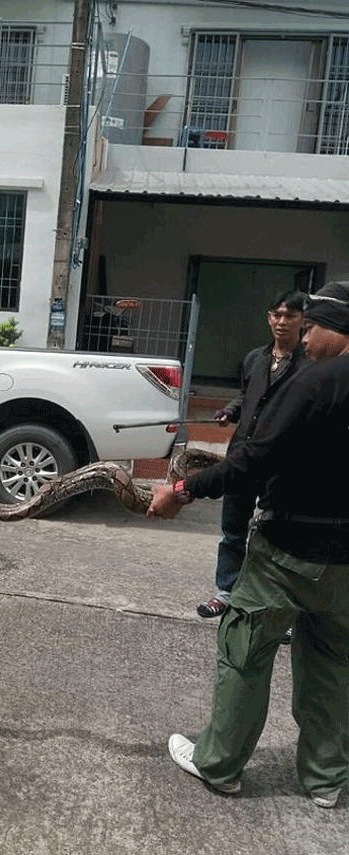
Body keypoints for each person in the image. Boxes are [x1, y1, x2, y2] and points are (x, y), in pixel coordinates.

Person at [147, 281, 349, 808]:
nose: (305, 339)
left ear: (340, 330)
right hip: (345, 566)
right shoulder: (279, 368)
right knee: (332, 665)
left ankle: (219, 765)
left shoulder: (315, 382)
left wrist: (182, 490)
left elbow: (253, 461)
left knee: (245, 652)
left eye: (312, 328)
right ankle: (326, 780)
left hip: (288, 550)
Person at [197, 290, 307, 620]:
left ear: (302, 320)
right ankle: (226, 592)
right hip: (243, 455)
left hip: (284, 463)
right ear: (268, 318)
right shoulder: (254, 358)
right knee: (232, 531)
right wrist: (229, 411)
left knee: (280, 537)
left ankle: (280, 608)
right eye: (276, 315)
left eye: (290, 316)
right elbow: (246, 397)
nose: (282, 322)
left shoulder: (310, 364)